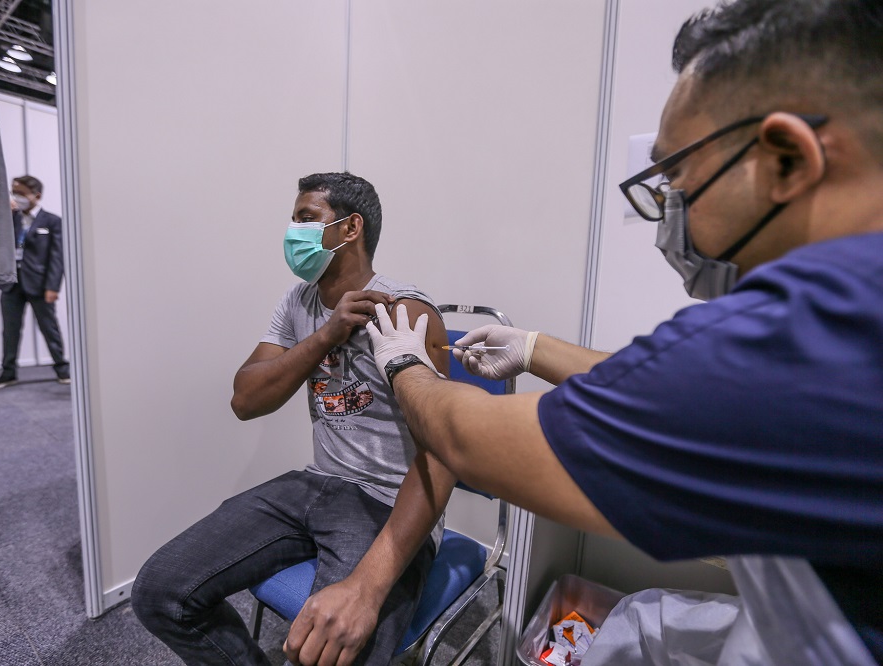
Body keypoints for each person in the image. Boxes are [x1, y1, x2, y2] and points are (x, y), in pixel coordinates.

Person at [365, 1, 883, 664]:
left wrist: (406, 364)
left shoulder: (799, 342)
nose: (670, 216)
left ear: (786, 160)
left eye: (676, 180)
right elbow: (687, 401)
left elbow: (469, 440)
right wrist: (533, 348)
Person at [131, 172, 455, 666]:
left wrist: (366, 592)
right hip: (314, 484)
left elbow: (442, 454)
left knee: (326, 652)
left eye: (307, 218)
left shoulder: (403, 309)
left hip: (385, 501)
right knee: (159, 593)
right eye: (294, 219)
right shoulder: (297, 301)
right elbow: (246, 399)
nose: (293, 231)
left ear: (350, 230)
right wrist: (326, 335)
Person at [0, 175, 70, 388]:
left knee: (49, 328)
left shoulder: (52, 221)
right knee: (10, 330)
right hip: (11, 283)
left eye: (21, 193)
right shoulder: (9, 218)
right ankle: (8, 372)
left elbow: (57, 257)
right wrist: (4, 210)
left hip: (40, 284)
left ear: (37, 196)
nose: (17, 197)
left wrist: (53, 287)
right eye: (14, 192)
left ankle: (62, 368)